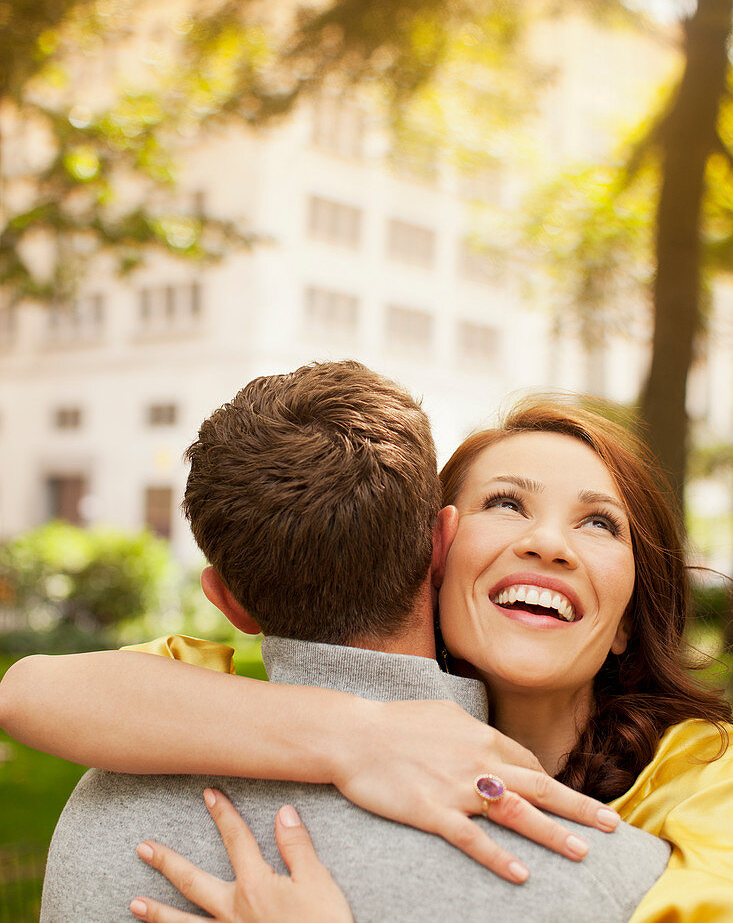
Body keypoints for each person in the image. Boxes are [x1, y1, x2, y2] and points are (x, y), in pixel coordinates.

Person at [0, 362, 669, 922]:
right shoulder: (615, 880)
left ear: (227, 602)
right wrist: (359, 734)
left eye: (598, 523)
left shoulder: (102, 803)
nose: (544, 544)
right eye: (503, 504)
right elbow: (29, 689)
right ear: (440, 547)